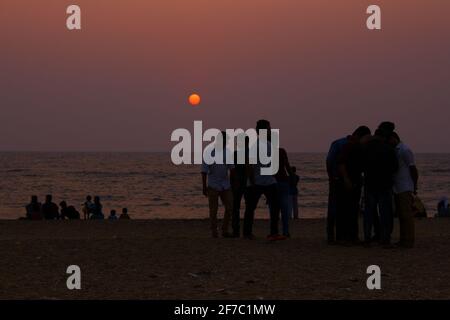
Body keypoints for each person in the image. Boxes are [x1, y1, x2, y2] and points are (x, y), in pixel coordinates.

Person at [326, 126, 371, 244]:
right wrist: (334, 178)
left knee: (346, 208)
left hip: (346, 180)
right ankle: (337, 236)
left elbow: (330, 161)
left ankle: (343, 236)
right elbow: (331, 161)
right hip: (340, 180)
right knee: (341, 208)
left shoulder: (344, 144)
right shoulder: (343, 145)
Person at [243, 120, 282, 240]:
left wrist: (273, 176)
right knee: (251, 208)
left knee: (274, 207)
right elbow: (249, 165)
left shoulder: (270, 145)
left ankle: (273, 233)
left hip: (269, 181)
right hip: (257, 181)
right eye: (269, 128)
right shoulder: (256, 146)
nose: (270, 130)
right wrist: (252, 180)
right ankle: (247, 233)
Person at [363, 128, 399, 247]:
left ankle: (367, 238)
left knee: (369, 213)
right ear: (384, 137)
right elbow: (395, 167)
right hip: (385, 184)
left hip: (370, 183)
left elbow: (361, 165)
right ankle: (385, 239)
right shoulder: (388, 149)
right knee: (385, 214)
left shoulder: (366, 148)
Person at [201, 131, 235, 238]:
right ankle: (214, 231)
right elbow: (204, 171)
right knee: (213, 210)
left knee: (230, 207)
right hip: (213, 185)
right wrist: (204, 186)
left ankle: (224, 230)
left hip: (225, 185)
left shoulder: (228, 152)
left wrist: (232, 184)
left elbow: (232, 169)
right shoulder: (209, 152)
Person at [388, 132, 418, 248]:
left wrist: (414, 186)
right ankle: (403, 239)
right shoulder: (396, 150)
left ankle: (409, 240)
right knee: (401, 215)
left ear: (394, 138)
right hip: (398, 187)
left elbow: (413, 168)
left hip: (405, 186)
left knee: (407, 215)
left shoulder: (405, 150)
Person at [231, 134, 249, 237]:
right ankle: (245, 231)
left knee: (236, 207)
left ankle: (236, 230)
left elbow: (233, 170)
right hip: (246, 183)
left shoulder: (235, 154)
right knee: (248, 207)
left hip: (238, 182)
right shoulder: (250, 154)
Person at [275, 147, 295, 237]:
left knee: (274, 209)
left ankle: (274, 231)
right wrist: (292, 177)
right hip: (283, 181)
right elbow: (287, 166)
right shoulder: (281, 151)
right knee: (284, 209)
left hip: (273, 181)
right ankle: (286, 231)